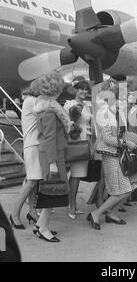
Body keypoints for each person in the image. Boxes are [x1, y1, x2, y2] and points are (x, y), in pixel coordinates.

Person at [87, 81, 137, 230]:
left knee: (133, 185)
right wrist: (126, 144)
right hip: (111, 154)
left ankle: (112, 213)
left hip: (119, 153)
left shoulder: (116, 111)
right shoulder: (105, 113)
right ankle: (96, 214)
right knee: (123, 189)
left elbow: (122, 132)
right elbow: (108, 138)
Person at [33, 72, 73, 242]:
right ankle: (42, 228)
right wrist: (52, 164)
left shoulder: (44, 107)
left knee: (53, 191)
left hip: (52, 154)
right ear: (55, 90)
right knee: (54, 192)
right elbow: (49, 138)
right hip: (53, 156)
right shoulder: (50, 111)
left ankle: (39, 225)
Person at [10, 86, 41, 230]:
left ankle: (32, 212)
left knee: (33, 182)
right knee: (31, 182)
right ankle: (15, 213)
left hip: (35, 145)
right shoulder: (32, 101)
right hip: (33, 145)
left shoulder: (32, 100)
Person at [64, 76, 92, 219]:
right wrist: (77, 109)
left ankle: (71, 203)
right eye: (81, 88)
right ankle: (72, 205)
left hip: (85, 144)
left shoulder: (86, 105)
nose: (84, 91)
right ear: (75, 89)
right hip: (75, 144)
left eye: (86, 89)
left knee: (77, 176)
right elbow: (73, 113)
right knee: (75, 175)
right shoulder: (71, 104)